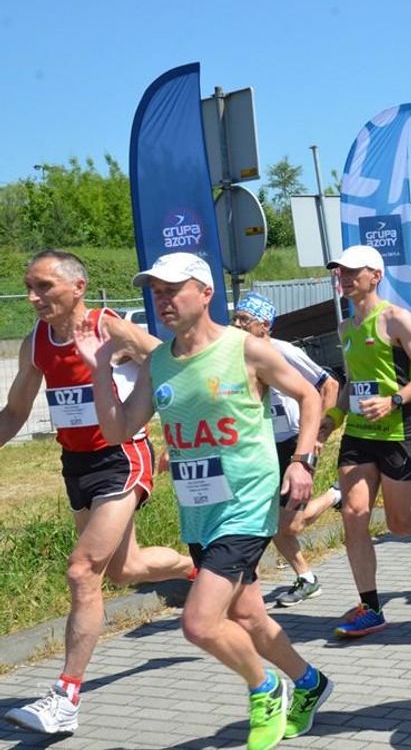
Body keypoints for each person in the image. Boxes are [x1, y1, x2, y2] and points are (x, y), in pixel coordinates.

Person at [76, 252, 332, 749]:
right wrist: (102, 367)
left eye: (173, 290)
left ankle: (265, 689)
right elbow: (118, 429)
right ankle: (309, 683)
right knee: (249, 617)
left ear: (206, 293)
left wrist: (302, 461)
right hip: (199, 509)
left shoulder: (246, 348)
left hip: (247, 503)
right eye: (156, 292)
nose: (163, 300)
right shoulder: (160, 362)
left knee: (198, 623)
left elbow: (310, 395)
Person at [1, 250, 194, 737]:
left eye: (43, 286)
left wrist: (174, 430)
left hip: (123, 457)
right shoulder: (37, 343)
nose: (32, 297)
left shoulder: (110, 327)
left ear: (77, 286)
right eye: (29, 287)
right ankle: (201, 568)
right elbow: (15, 412)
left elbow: (173, 363)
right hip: (77, 464)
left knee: (82, 570)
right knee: (124, 569)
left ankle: (66, 696)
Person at [319, 245, 411, 638]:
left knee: (400, 524)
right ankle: (370, 607)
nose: (345, 278)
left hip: (398, 431)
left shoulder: (395, 319)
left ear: (376, 276)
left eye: (353, 272)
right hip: (358, 435)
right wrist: (330, 421)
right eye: (341, 272)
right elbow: (352, 383)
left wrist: (395, 400)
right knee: (354, 514)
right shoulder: (346, 328)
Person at [229, 292, 343, 608]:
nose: (236, 324)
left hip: (294, 443)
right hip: (262, 446)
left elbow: (329, 385)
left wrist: (320, 433)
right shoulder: (233, 354)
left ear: (264, 325)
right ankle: (306, 579)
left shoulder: (281, 351)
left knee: (288, 524)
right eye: (235, 318)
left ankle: (336, 495)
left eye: (244, 320)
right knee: (271, 521)